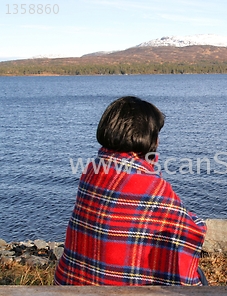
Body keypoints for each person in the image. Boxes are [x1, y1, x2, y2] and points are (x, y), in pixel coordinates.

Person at [55, 96, 207, 286]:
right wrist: (197, 222)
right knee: (198, 276)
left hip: (73, 283)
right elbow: (190, 232)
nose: (158, 141)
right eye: (156, 134)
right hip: (123, 294)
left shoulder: (93, 170)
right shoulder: (149, 185)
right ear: (146, 136)